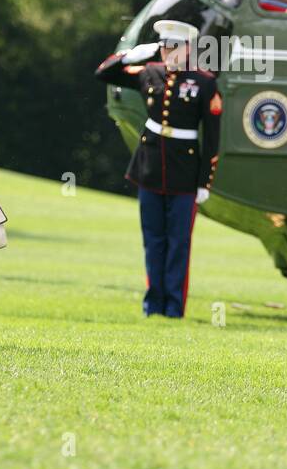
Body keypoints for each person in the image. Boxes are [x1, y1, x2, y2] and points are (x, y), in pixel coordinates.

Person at [95, 20, 221, 318]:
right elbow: (103, 73)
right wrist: (132, 54)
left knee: (178, 243)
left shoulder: (204, 82)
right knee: (153, 240)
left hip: (185, 173)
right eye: (164, 46)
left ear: (187, 49)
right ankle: (153, 305)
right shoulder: (150, 72)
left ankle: (174, 307)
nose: (168, 53)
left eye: (174, 47)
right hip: (149, 168)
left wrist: (205, 182)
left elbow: (213, 137)